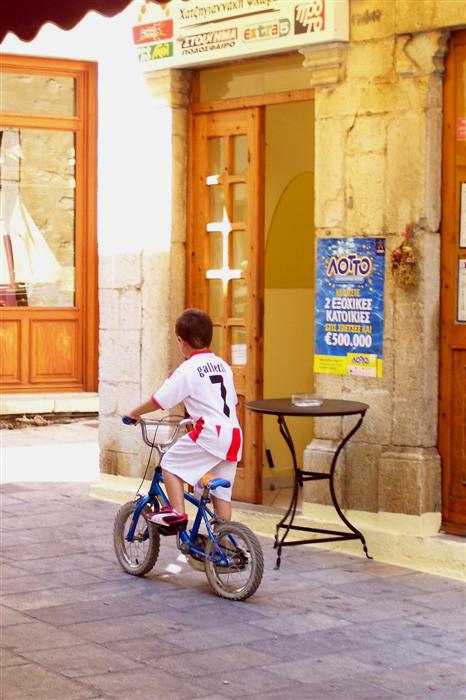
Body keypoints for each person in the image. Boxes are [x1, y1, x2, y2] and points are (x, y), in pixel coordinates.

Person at [125, 308, 242, 529]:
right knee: (221, 495)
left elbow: (159, 400)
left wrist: (134, 413)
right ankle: (224, 541)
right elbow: (231, 401)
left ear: (181, 341)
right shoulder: (223, 366)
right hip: (233, 435)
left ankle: (177, 512)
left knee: (169, 464)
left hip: (210, 434)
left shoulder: (187, 370)